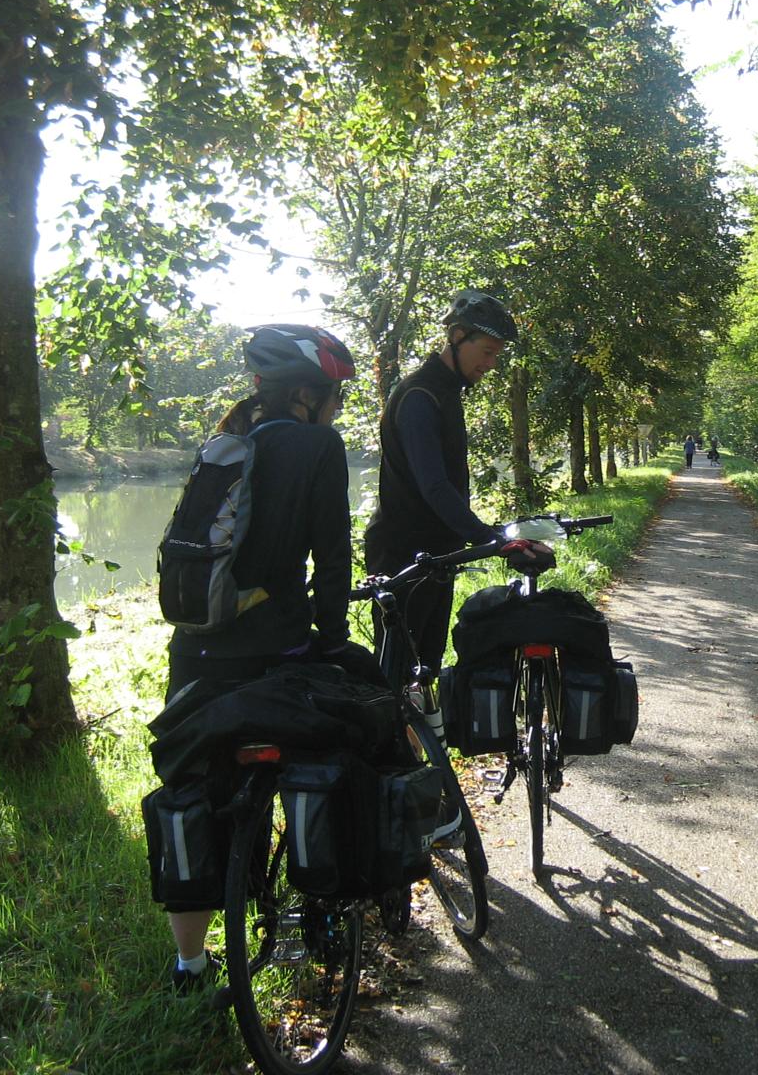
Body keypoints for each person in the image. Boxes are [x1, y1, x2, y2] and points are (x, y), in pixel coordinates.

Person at [160, 322, 375, 993]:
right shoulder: (317, 445)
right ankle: (328, 910)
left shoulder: (226, 443)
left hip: (195, 652)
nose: (336, 408)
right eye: (334, 395)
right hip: (275, 647)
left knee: (194, 791)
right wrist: (333, 639)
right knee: (347, 733)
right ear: (308, 398)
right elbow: (332, 559)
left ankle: (189, 966)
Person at [364, 289, 548, 680]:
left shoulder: (444, 393)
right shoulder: (419, 397)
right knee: (399, 679)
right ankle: (394, 742)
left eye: (497, 355)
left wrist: (486, 535)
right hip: (402, 558)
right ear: (457, 336)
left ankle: (425, 741)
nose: (492, 363)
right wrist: (490, 538)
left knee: (426, 671)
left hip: (435, 555)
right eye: (487, 351)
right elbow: (433, 486)